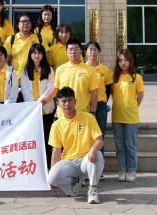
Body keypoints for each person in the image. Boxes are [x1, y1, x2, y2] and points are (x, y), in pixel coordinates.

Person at [47, 87, 104, 204]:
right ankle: (73, 184)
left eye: (70, 100)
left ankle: (92, 189)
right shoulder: (56, 125)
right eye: (64, 101)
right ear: (58, 103)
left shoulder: (88, 118)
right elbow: (56, 151)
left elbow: (99, 141)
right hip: (69, 162)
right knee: (52, 177)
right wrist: (52, 174)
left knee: (97, 155)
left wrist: (93, 150)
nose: (67, 104)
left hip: (86, 160)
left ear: (75, 101)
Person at [40, 39, 99, 119]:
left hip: (82, 114)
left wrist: (93, 111)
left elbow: (94, 93)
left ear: (81, 51)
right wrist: (44, 101)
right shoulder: (60, 69)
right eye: (70, 49)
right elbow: (55, 89)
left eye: (76, 49)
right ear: (66, 52)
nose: (73, 52)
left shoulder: (90, 70)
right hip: (62, 115)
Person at [110, 48, 145, 183]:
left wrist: (133, 106)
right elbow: (111, 94)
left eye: (126, 60)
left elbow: (140, 95)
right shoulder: (114, 77)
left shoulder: (137, 77)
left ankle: (131, 170)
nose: (123, 63)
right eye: (120, 60)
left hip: (131, 118)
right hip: (117, 117)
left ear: (130, 61)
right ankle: (122, 170)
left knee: (130, 146)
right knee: (120, 146)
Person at [20, 43, 55, 164]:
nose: (37, 55)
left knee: (47, 137)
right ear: (30, 55)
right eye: (34, 53)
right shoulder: (25, 70)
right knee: (33, 138)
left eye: (39, 53)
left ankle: (47, 164)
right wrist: (33, 104)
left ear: (43, 55)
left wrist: (39, 102)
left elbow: (50, 87)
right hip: (31, 110)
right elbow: (24, 89)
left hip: (46, 109)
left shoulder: (49, 69)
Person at [85, 41, 112, 137]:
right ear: (86, 52)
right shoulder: (82, 69)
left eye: (95, 50)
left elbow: (108, 88)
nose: (93, 52)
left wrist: (102, 100)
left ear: (99, 52)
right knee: (87, 134)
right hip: (86, 104)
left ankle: (100, 148)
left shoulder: (105, 69)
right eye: (90, 49)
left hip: (101, 105)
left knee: (100, 133)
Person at [4, 13, 40, 78]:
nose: (25, 23)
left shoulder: (39, 38)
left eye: (28, 21)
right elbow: (6, 60)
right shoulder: (11, 39)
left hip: (35, 78)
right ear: (18, 24)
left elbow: (45, 58)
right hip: (16, 78)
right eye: (23, 21)